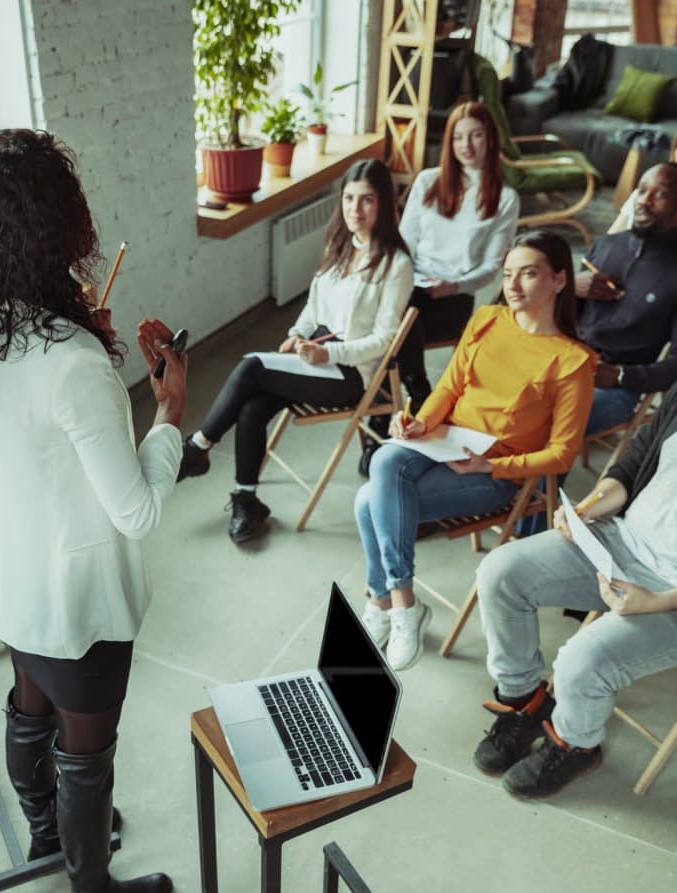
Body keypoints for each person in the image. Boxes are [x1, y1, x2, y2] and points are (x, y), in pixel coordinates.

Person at [0, 129, 186, 893]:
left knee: (28, 700)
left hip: (10, 567)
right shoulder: (74, 360)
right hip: (76, 589)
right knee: (88, 751)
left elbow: (29, 428)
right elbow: (137, 511)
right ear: (51, 229)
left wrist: (85, 357)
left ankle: (46, 830)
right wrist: (168, 410)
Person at [356, 231, 596, 671]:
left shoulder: (573, 361)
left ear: (560, 280)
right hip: (443, 441)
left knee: (366, 499)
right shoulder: (487, 319)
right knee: (386, 457)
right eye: (508, 274)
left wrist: (495, 464)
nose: (514, 285)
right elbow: (449, 386)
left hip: (491, 475)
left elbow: (562, 454)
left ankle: (382, 599)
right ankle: (403, 601)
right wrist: (421, 423)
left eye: (529, 274)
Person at [176, 158, 413, 544]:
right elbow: (313, 309)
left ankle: (197, 447)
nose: (356, 209)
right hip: (315, 355)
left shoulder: (396, 264)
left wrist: (329, 356)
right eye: (349, 199)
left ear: (384, 204)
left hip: (351, 374)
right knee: (252, 407)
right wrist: (295, 334)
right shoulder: (339, 246)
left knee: (252, 366)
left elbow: (386, 341)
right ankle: (246, 499)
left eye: (367, 200)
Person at [472, 383, 677, 799]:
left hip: (670, 594)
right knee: (501, 571)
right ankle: (524, 700)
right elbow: (633, 465)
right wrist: (585, 511)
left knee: (584, 661)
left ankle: (576, 744)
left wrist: (657, 601)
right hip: (622, 539)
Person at [359, 100, 520, 476]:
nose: (467, 145)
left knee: (390, 325)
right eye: (459, 137)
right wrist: (403, 275)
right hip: (411, 287)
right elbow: (405, 242)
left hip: (454, 298)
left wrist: (454, 285)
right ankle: (416, 391)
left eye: (476, 135)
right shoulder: (429, 181)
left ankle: (379, 429)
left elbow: (492, 267)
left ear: (491, 140)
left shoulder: (504, 198)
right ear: (449, 141)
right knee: (398, 311)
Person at [575, 162, 677, 437]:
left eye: (660, 194)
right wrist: (571, 288)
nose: (644, 200)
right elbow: (559, 315)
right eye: (642, 190)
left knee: (550, 426)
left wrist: (621, 375)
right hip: (565, 360)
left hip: (616, 387)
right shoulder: (609, 244)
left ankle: (536, 480)